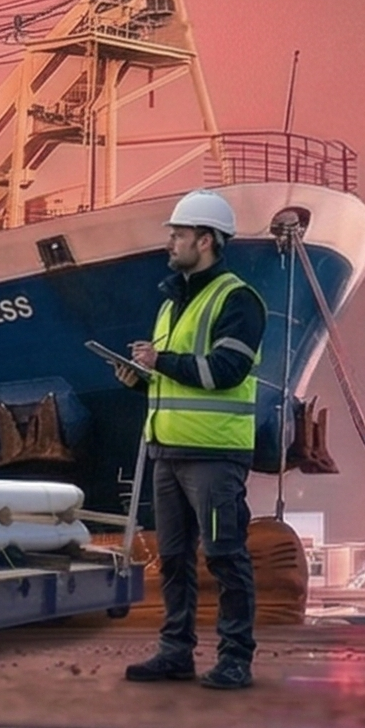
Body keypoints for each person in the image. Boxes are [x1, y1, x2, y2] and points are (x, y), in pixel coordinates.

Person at [119, 189, 265, 690]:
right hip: (167, 452)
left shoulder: (238, 301)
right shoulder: (171, 303)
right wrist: (141, 376)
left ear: (205, 240)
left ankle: (235, 658)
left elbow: (225, 370)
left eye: (178, 235)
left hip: (214, 456)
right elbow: (176, 374)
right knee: (175, 559)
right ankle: (175, 652)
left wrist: (160, 363)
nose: (170, 243)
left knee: (226, 555)